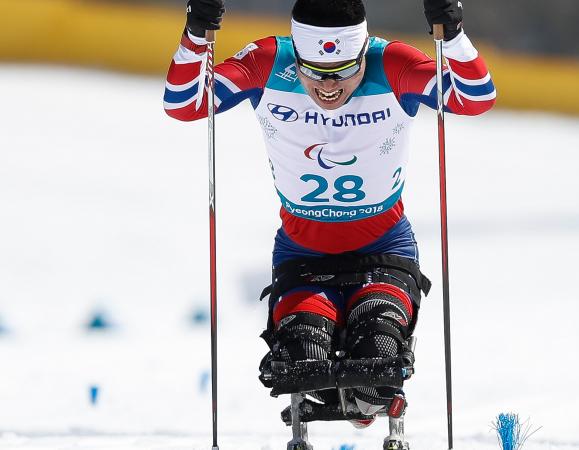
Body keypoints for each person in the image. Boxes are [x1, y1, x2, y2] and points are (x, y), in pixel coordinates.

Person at [164, 0, 495, 426]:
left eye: (343, 70)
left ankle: (368, 398)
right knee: (304, 362)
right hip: (305, 253)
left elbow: (476, 97)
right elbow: (183, 102)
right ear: (297, 56)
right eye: (315, 72)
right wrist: (196, 32)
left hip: (384, 247)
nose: (328, 87)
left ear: (362, 54)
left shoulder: (389, 62)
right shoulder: (269, 62)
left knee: (377, 360)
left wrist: (452, 36)